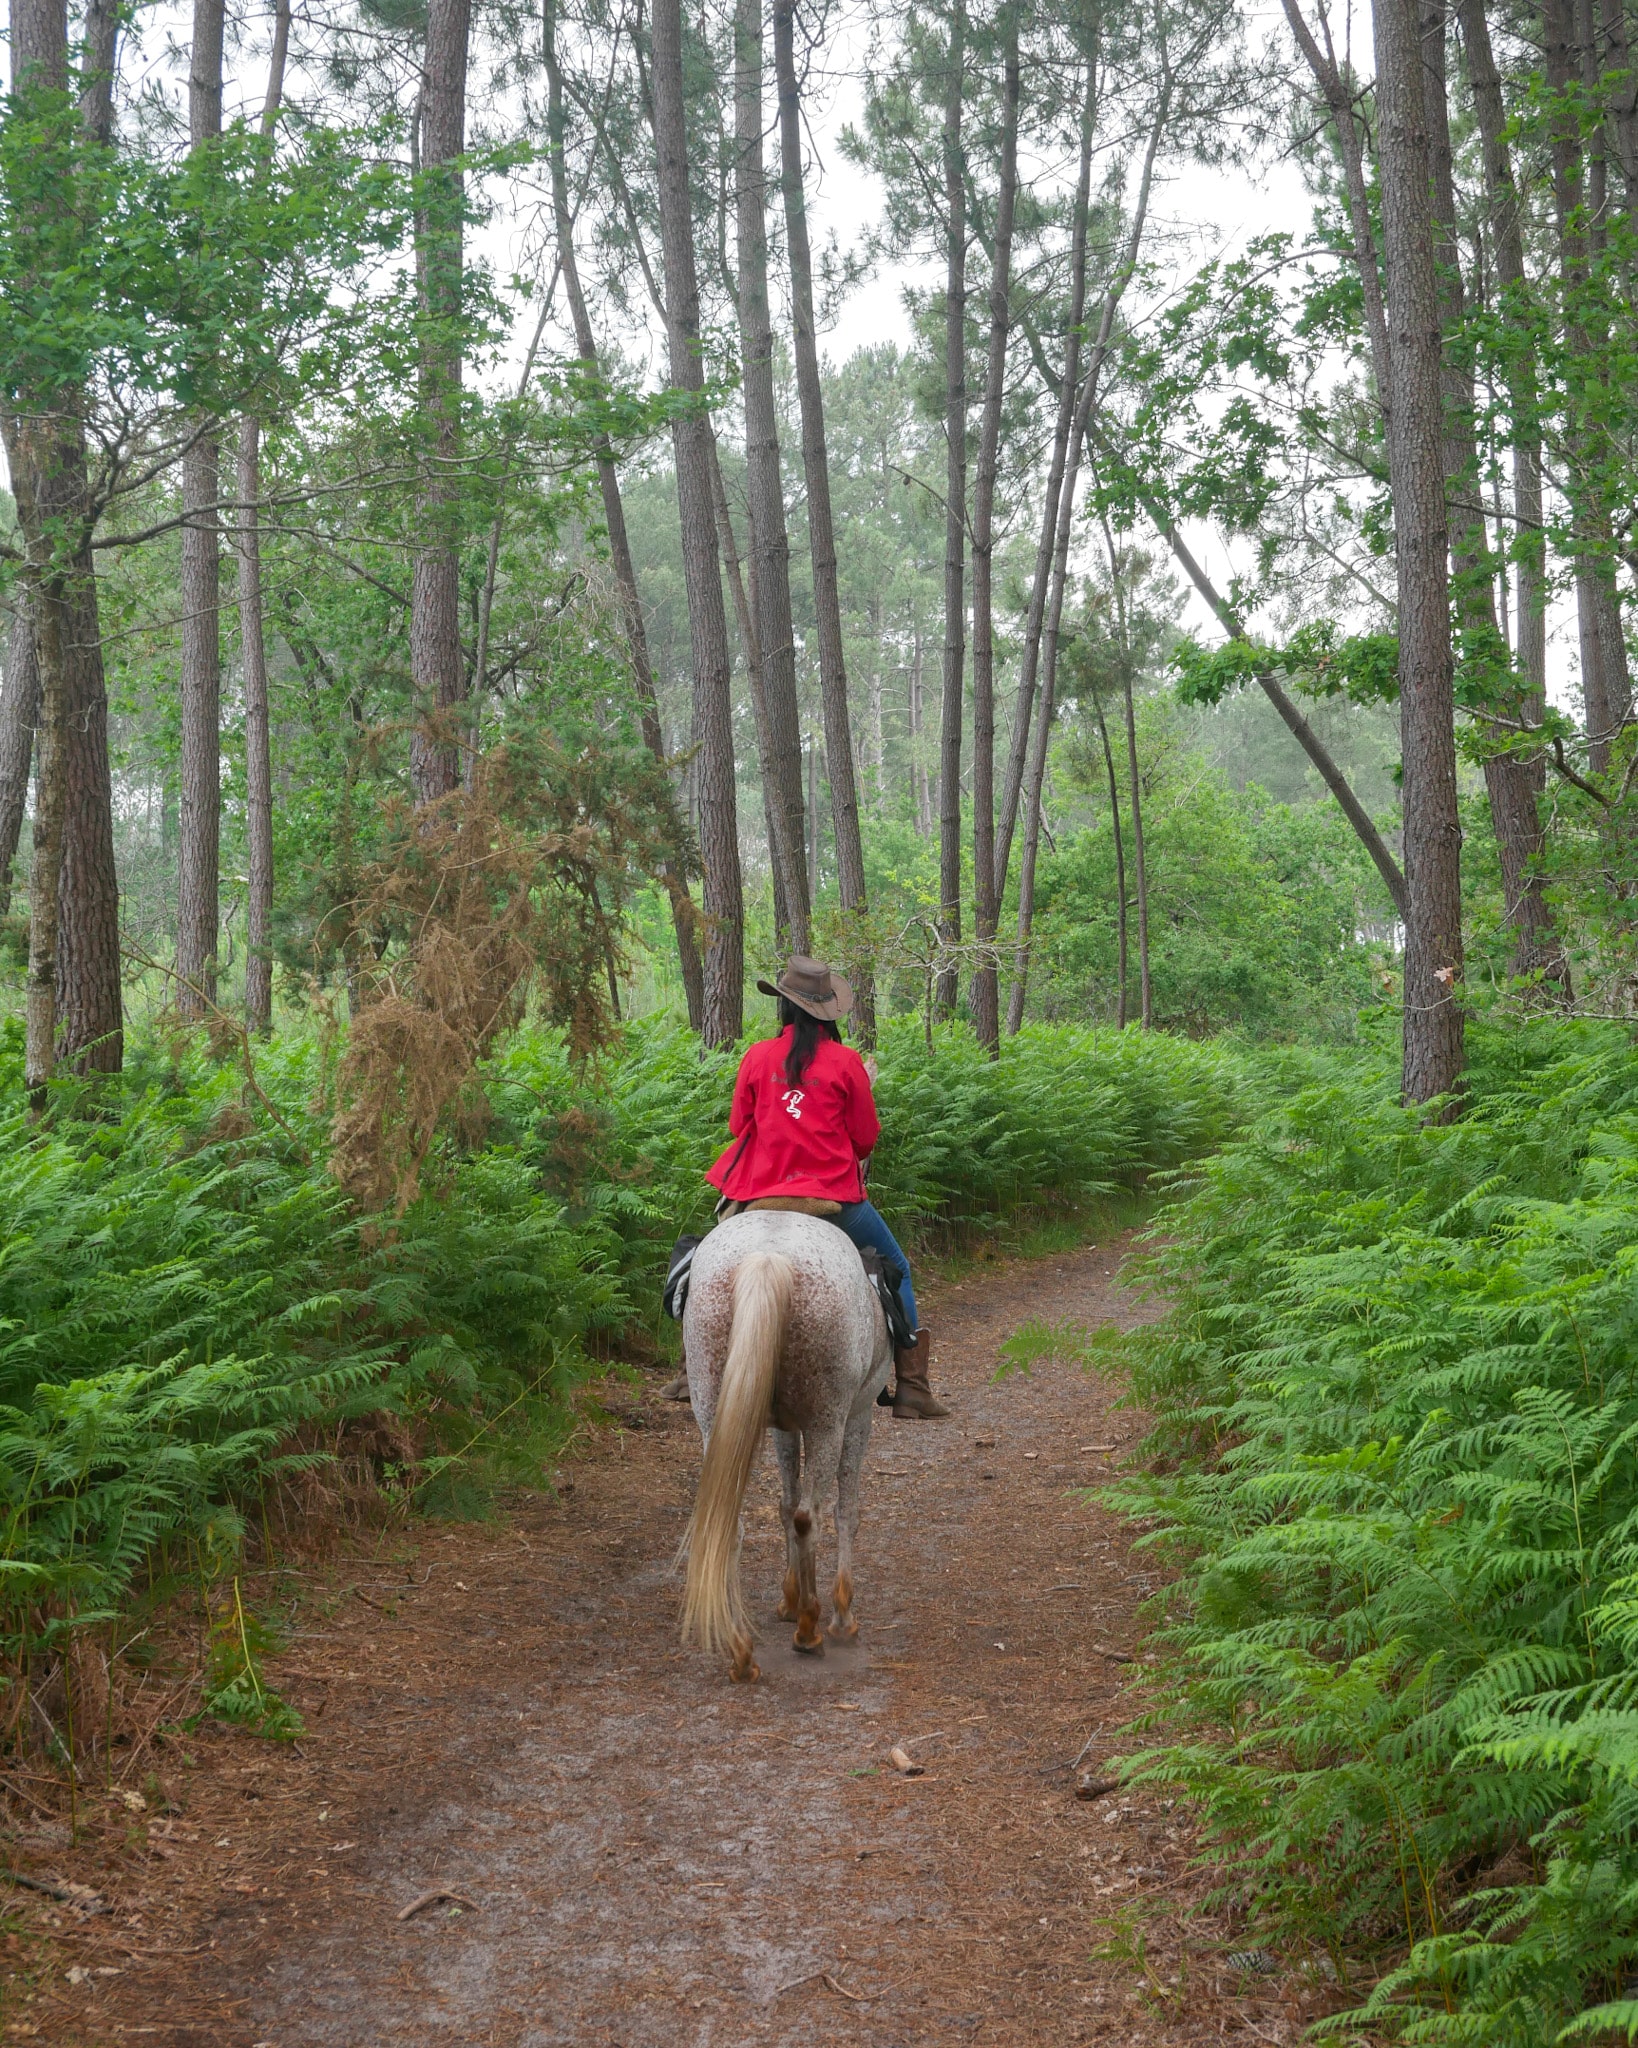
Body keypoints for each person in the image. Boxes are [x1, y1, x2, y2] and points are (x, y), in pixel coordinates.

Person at [698, 955, 949, 1420]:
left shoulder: (757, 1056)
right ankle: (912, 1386)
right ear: (827, 1012)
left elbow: (737, 1126)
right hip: (831, 1199)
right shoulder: (846, 1062)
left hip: (759, 1193)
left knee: (703, 1265)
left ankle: (688, 1367)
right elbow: (865, 1138)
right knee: (898, 1267)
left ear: (784, 1007)